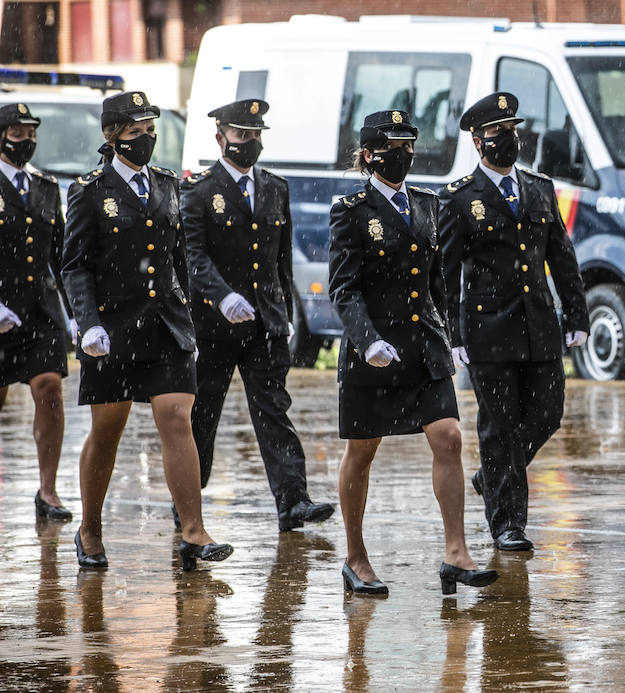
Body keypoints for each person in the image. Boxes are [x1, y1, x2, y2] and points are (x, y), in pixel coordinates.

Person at [329, 108, 497, 595]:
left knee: (449, 437)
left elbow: (439, 282)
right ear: (369, 155)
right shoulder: (351, 210)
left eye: (408, 145)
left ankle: (456, 554)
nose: (402, 155)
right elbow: (344, 288)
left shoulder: (427, 204)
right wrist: (367, 340)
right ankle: (356, 558)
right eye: (392, 147)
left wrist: (452, 336)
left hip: (423, 344)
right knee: (362, 453)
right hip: (375, 350)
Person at [63, 90, 233, 571]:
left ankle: (194, 532)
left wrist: (192, 322)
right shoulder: (90, 191)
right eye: (136, 132)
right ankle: (90, 529)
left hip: (165, 325)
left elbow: (178, 257)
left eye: (150, 130)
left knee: (178, 419)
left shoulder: (166, 184)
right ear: (114, 136)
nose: (146, 139)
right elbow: (75, 266)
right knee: (108, 430)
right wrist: (88, 324)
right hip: (113, 328)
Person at [438, 92, 588, 553]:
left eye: (513, 131)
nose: (509, 139)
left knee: (548, 412)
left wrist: (576, 312)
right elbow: (444, 274)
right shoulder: (461, 198)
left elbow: (562, 256)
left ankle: (493, 475)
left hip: (539, 325)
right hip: (489, 331)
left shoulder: (539, 188)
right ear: (479, 142)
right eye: (498, 133)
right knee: (499, 426)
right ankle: (508, 525)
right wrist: (454, 334)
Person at [182, 99, 334, 532]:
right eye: (241, 135)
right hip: (213, 325)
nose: (250, 143)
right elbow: (194, 258)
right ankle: (188, 498)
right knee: (203, 416)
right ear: (220, 138)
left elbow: (279, 260)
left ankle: (293, 501)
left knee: (272, 410)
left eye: (255, 135)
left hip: (263, 325)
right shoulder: (198, 191)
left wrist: (283, 309)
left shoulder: (274, 187)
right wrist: (222, 297)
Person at [0, 103, 76, 522]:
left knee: (49, 389)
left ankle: (48, 490)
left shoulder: (46, 187)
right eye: (16, 132)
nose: (25, 140)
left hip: (39, 308)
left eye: (30, 133)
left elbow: (61, 254)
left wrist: (77, 311)